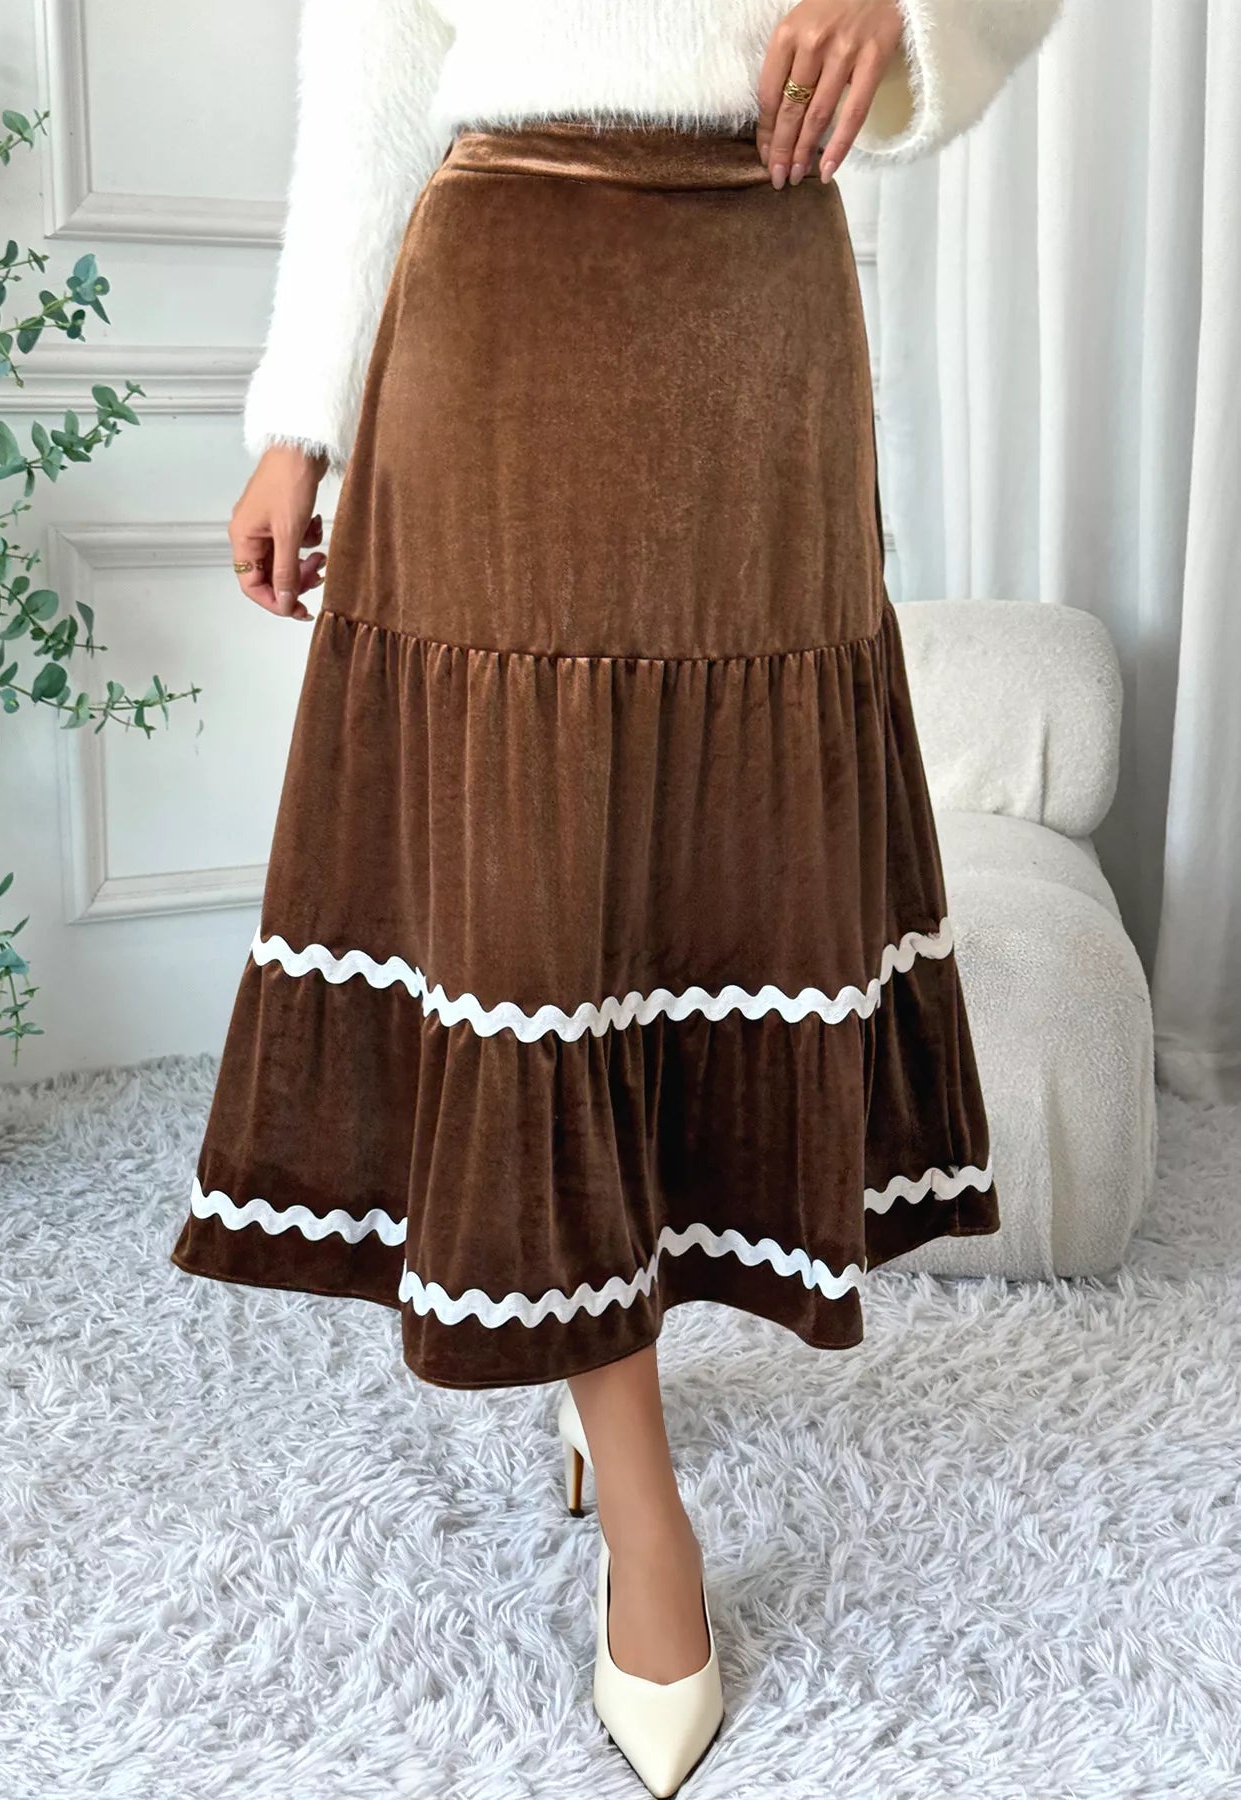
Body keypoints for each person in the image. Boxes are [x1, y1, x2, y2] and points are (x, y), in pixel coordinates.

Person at [169, 2, 1062, 1792]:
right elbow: (369, 73)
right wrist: (296, 419)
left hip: (762, 297)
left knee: (718, 866)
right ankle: (636, 1483)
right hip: (503, 280)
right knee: (538, 899)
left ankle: (631, 1319)